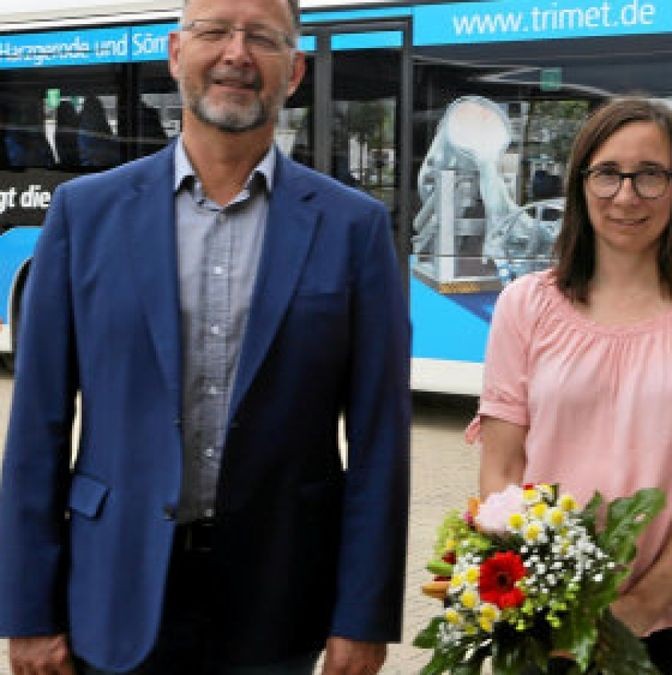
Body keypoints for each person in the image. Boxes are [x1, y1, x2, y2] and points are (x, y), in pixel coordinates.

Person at [0, 0, 411, 673]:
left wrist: (362, 617)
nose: (236, 54)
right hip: (110, 590)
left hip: (280, 601)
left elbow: (380, 445)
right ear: (174, 53)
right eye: (215, 30)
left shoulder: (353, 229)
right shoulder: (84, 214)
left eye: (263, 38)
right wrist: (28, 611)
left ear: (295, 69)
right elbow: (37, 429)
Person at [470, 97, 672, 674]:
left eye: (650, 176)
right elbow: (502, 469)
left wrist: (641, 606)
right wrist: (539, 586)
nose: (626, 195)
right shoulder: (525, 305)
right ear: (581, 182)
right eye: (608, 173)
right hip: (548, 624)